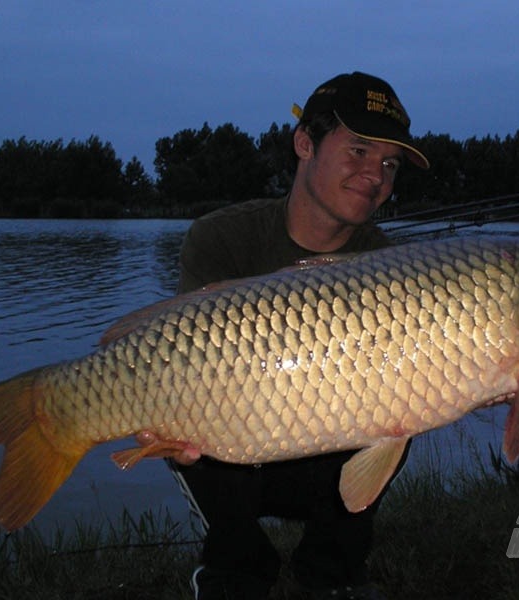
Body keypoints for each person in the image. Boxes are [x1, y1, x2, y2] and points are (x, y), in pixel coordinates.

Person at [144, 71, 429, 600]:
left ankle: (333, 573)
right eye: (360, 151)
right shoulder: (222, 238)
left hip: (329, 461)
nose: (376, 176)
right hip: (235, 455)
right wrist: (169, 421)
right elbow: (176, 356)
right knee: (196, 413)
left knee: (402, 409)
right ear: (305, 144)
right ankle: (235, 572)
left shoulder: (392, 266)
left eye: (389, 164)